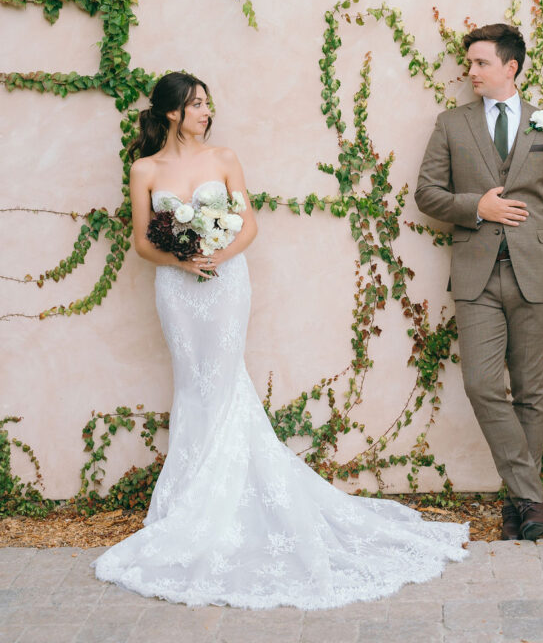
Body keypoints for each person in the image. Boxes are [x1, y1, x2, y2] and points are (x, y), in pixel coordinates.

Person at [93, 71, 468, 608]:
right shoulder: (144, 169)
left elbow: (247, 225)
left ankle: (220, 503)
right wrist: (181, 257)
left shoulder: (224, 159)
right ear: (172, 111)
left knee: (222, 380)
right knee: (192, 384)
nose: (207, 111)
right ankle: (188, 504)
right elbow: (140, 242)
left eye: (208, 101)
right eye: (197, 104)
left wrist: (216, 255)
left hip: (224, 283)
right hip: (176, 289)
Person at [415, 24, 543, 542]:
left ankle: (519, 509)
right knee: (482, 384)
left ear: (510, 67)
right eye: (470, 64)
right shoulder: (451, 124)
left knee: (531, 392)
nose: (471, 72)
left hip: (536, 275)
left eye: (481, 63)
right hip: (477, 276)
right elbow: (426, 193)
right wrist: (475, 207)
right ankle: (533, 497)